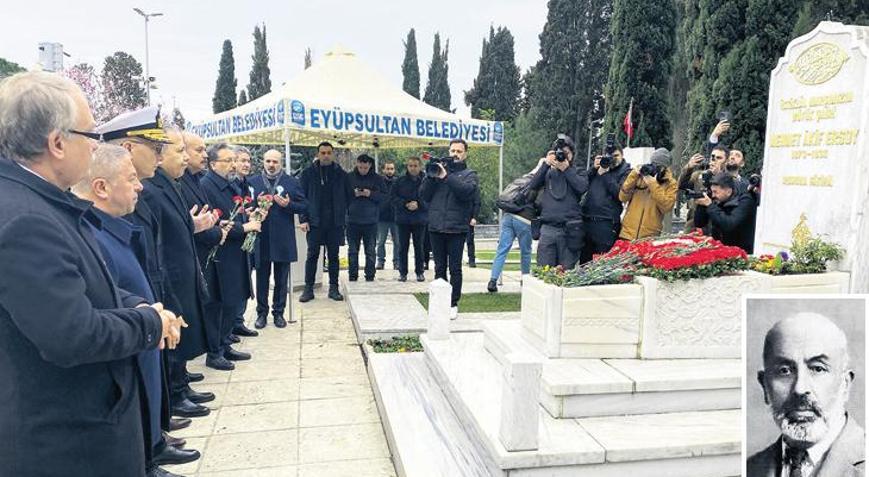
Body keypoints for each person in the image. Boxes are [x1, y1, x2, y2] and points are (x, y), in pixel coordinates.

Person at [0, 71, 183, 477]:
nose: (97, 145)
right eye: (90, 134)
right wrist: (148, 322)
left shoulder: (39, 202)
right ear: (58, 142)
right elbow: (72, 335)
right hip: (68, 442)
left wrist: (133, 303)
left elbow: (83, 288)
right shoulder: (24, 218)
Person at [72, 144, 200, 476]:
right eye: (130, 179)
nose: (140, 186)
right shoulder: (92, 235)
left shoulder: (113, 226)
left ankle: (151, 449)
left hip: (147, 333)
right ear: (101, 187)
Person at [101, 107, 201, 431]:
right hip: (135, 306)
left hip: (152, 298)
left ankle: (157, 434)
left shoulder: (145, 191)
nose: (160, 156)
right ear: (129, 149)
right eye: (155, 148)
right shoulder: (118, 195)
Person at [140, 126, 217, 419]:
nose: (185, 158)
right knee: (174, 334)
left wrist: (194, 225)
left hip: (183, 272)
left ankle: (181, 384)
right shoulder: (151, 189)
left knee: (183, 330)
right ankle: (175, 391)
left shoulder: (172, 184)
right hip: (169, 275)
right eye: (180, 151)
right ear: (160, 156)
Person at [748, 313, 865, 476]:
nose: (800, 388)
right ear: (764, 385)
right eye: (784, 371)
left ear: (845, 385)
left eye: (818, 368)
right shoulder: (750, 468)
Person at [200, 143, 261, 369]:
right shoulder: (207, 186)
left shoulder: (230, 184)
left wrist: (250, 217)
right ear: (213, 164)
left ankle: (225, 344)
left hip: (235, 252)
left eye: (234, 160)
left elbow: (237, 214)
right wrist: (244, 228)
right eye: (228, 161)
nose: (234, 164)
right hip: (221, 254)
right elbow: (218, 222)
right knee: (220, 304)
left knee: (232, 300)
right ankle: (214, 352)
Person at [178, 132, 233, 371]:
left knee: (215, 303)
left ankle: (218, 346)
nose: (203, 155)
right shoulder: (185, 182)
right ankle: (208, 355)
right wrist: (217, 234)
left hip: (206, 253)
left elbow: (204, 215)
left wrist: (216, 225)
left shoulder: (194, 179)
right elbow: (191, 223)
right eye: (197, 150)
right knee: (207, 306)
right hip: (199, 253)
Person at [248, 149, 307, 328]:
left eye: (275, 162)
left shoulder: (291, 182)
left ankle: (279, 313)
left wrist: (289, 205)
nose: (271, 165)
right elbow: (244, 206)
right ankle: (261, 313)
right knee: (262, 278)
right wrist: (254, 206)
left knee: (281, 279)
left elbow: (304, 206)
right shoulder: (253, 182)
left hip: (283, 238)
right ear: (263, 162)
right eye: (268, 161)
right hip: (261, 237)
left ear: (281, 163)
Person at [420, 139, 479, 319]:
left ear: (465, 153)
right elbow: (423, 194)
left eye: (459, 151)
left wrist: (447, 177)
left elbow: (466, 192)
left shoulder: (470, 174)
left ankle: (453, 303)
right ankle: (440, 301)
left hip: (457, 228)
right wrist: (432, 176)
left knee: (455, 268)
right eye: (452, 150)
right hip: (436, 226)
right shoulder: (437, 171)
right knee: (439, 267)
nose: (455, 154)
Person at [299, 141, 353, 302]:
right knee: (312, 255)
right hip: (314, 222)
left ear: (333, 154)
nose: (326, 155)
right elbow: (301, 198)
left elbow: (349, 196)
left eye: (329, 152)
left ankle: (334, 288)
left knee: (334, 256)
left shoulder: (341, 174)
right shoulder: (308, 173)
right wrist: (304, 219)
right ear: (318, 154)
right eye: (323, 153)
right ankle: (308, 288)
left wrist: (342, 213)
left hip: (335, 223)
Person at [526, 135, 589, 270]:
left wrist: (566, 169)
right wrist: (546, 164)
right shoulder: (548, 172)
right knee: (544, 270)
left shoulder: (578, 171)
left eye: (566, 154)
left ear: (572, 155)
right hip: (548, 228)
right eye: (560, 153)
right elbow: (533, 185)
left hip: (569, 230)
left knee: (567, 272)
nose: (563, 157)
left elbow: (582, 187)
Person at [487, 162, 542, 293]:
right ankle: (525, 279)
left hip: (508, 216)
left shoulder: (523, 178)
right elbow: (540, 203)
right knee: (526, 252)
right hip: (524, 219)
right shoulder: (539, 183)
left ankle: (493, 280)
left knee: (502, 249)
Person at [580, 145, 631, 264]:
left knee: (603, 264)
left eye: (616, 156)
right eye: (608, 156)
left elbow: (620, 194)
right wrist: (593, 169)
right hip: (588, 221)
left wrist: (605, 175)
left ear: (622, 156)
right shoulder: (598, 168)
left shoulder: (626, 171)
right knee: (584, 263)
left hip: (607, 223)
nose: (612, 159)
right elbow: (581, 185)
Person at [228, 145, 259, 339]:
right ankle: (231, 324)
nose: (246, 164)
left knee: (245, 279)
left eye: (248, 161)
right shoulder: (229, 183)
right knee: (235, 282)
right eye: (242, 161)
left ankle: (238, 321)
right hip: (232, 238)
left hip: (246, 236)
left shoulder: (246, 183)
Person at [618, 148, 678, 240]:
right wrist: (633, 175)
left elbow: (666, 207)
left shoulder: (670, 183)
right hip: (627, 233)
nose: (655, 168)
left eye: (658, 166)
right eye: (653, 164)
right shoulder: (640, 175)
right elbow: (622, 197)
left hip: (649, 236)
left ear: (665, 168)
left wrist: (653, 184)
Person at [693, 172, 757, 254]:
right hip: (720, 248)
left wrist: (710, 205)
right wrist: (701, 205)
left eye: (716, 192)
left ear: (728, 191)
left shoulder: (745, 200)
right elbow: (699, 223)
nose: (713, 195)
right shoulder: (718, 199)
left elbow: (729, 224)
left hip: (742, 251)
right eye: (712, 192)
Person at [347, 153, 386, 281]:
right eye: (360, 167)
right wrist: (353, 194)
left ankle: (370, 275)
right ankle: (353, 275)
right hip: (352, 220)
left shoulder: (378, 179)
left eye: (365, 168)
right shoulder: (349, 177)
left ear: (370, 165)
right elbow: (342, 196)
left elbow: (384, 197)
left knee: (370, 251)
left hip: (371, 221)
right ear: (357, 164)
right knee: (353, 251)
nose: (363, 170)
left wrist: (370, 194)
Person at [392, 156, 428, 282]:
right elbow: (393, 198)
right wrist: (405, 204)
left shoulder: (426, 180)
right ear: (407, 166)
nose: (413, 168)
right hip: (403, 219)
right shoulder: (399, 181)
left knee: (419, 247)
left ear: (420, 167)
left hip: (419, 219)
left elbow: (430, 199)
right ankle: (402, 272)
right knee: (402, 247)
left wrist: (419, 204)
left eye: (415, 166)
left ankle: (420, 272)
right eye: (410, 166)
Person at [376, 158, 399, 270]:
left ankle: (397, 262)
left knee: (398, 242)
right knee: (381, 242)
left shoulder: (398, 182)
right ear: (383, 170)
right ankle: (380, 261)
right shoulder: (379, 182)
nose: (390, 171)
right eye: (388, 169)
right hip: (382, 217)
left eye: (392, 169)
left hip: (396, 217)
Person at [466, 192, 480, 267]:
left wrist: (474, 217)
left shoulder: (472, 186)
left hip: (469, 218)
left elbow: (477, 203)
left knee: (470, 240)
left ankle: (471, 260)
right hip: (457, 218)